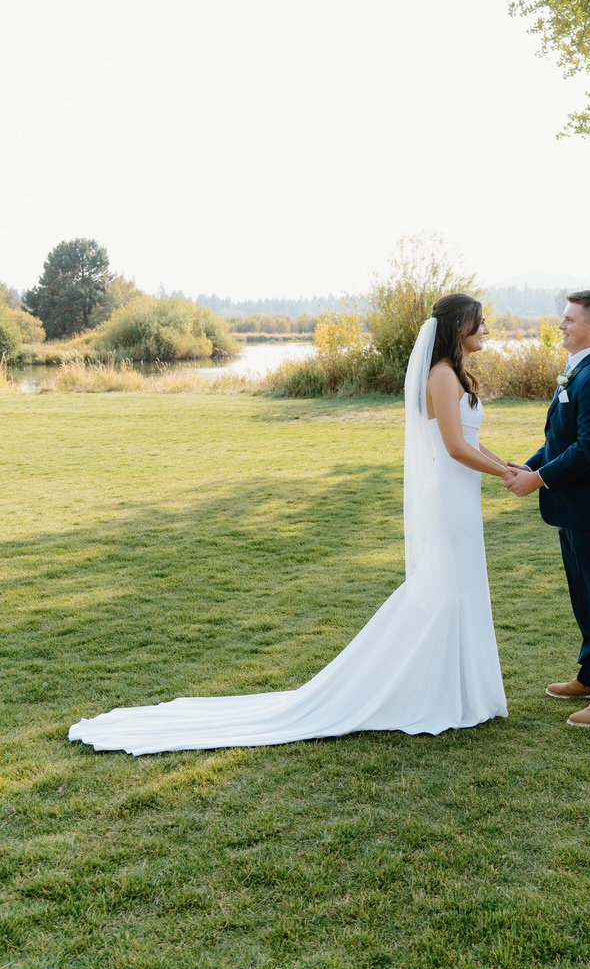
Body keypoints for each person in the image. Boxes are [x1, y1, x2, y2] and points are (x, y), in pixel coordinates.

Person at [68, 294, 510, 754]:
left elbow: (472, 440)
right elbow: (456, 448)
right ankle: (433, 691)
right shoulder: (440, 374)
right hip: (450, 495)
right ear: (460, 325)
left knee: (460, 588)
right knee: (446, 589)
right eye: (480, 323)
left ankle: (460, 690)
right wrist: (503, 474)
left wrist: (507, 464)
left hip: (463, 494)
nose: (486, 330)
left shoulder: (455, 373)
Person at [504, 291, 590, 727]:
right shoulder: (578, 369)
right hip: (576, 508)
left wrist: (537, 480)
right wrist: (529, 464)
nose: (560, 324)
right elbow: (561, 441)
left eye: (568, 318)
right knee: (586, 600)